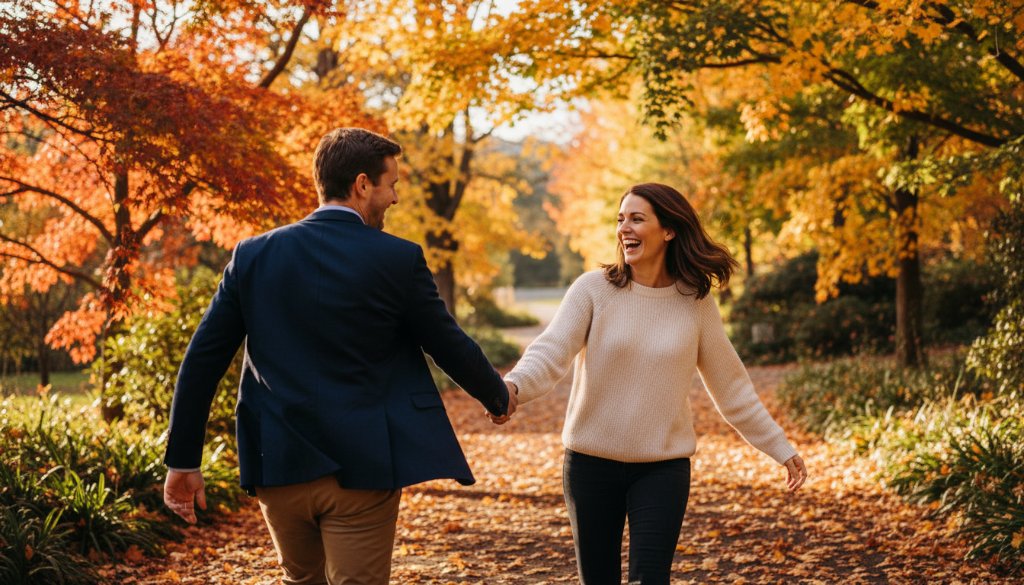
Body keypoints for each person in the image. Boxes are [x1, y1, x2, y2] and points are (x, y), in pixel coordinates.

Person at [163, 127, 517, 585]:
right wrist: (497, 395)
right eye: (391, 185)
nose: (394, 199)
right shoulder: (397, 258)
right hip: (362, 467)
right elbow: (444, 340)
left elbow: (202, 360)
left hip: (279, 464)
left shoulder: (253, 256)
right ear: (362, 184)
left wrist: (183, 460)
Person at [494, 183, 807, 585]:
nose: (625, 228)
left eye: (637, 218)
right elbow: (551, 350)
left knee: (651, 579)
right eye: (621, 219)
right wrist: (513, 387)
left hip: (662, 469)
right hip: (590, 464)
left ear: (669, 230)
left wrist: (780, 447)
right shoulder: (593, 289)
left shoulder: (695, 302)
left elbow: (733, 389)